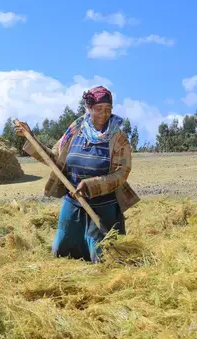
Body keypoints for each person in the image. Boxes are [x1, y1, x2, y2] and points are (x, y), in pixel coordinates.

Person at [15, 86, 140, 262]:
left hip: (103, 206)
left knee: (103, 257)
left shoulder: (118, 139)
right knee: (61, 251)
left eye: (108, 109)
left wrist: (91, 185)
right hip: (74, 202)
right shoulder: (75, 131)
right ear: (88, 109)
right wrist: (30, 137)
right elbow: (54, 159)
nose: (103, 114)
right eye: (98, 109)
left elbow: (122, 173)